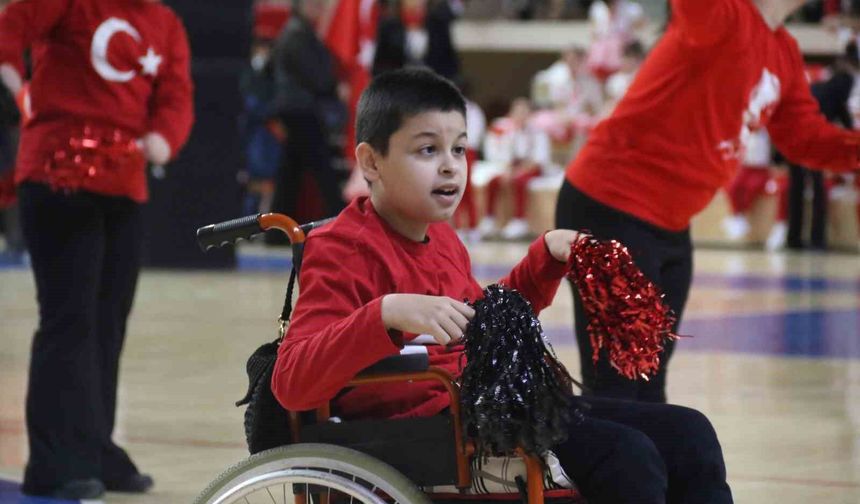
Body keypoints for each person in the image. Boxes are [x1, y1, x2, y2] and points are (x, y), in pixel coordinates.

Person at [272, 68, 733, 504]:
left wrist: (544, 259)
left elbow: (489, 329)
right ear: (371, 162)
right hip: (423, 432)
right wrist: (385, 313)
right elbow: (291, 382)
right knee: (627, 456)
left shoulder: (443, 239)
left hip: (483, 409)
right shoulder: (341, 249)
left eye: (459, 149)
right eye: (428, 150)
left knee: (689, 433)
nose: (451, 167)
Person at [556, 0, 860, 403]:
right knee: (618, 388)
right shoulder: (720, 13)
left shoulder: (783, 49)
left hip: (669, 226)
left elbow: (805, 138)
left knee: (648, 383)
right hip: (610, 206)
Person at [0, 0, 193, 499]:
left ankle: (93, 446)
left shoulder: (165, 24)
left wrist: (163, 138)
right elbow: (11, 28)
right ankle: (54, 462)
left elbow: (176, 96)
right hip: (57, 178)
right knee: (70, 320)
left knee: (108, 322)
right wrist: (18, 88)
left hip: (123, 187)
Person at [270, 0, 346, 224]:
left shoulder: (298, 32)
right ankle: (341, 219)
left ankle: (276, 227)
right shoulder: (296, 35)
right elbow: (317, 76)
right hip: (300, 110)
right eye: (313, 4)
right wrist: (335, 87)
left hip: (294, 108)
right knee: (322, 169)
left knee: (290, 172)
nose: (318, 9)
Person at [787, 44, 858, 250]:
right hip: (812, 144)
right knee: (818, 189)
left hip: (794, 139)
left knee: (796, 189)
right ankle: (817, 239)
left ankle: (793, 239)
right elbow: (845, 121)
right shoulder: (841, 90)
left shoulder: (818, 87)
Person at [478, 98, 551, 240]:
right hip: (513, 167)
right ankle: (489, 219)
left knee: (519, 182)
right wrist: (508, 170)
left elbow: (539, 159)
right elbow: (504, 155)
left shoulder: (538, 132)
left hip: (533, 167)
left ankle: (519, 220)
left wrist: (518, 171)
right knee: (494, 181)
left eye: (523, 112)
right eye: (516, 112)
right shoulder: (509, 130)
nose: (520, 116)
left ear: (529, 114)